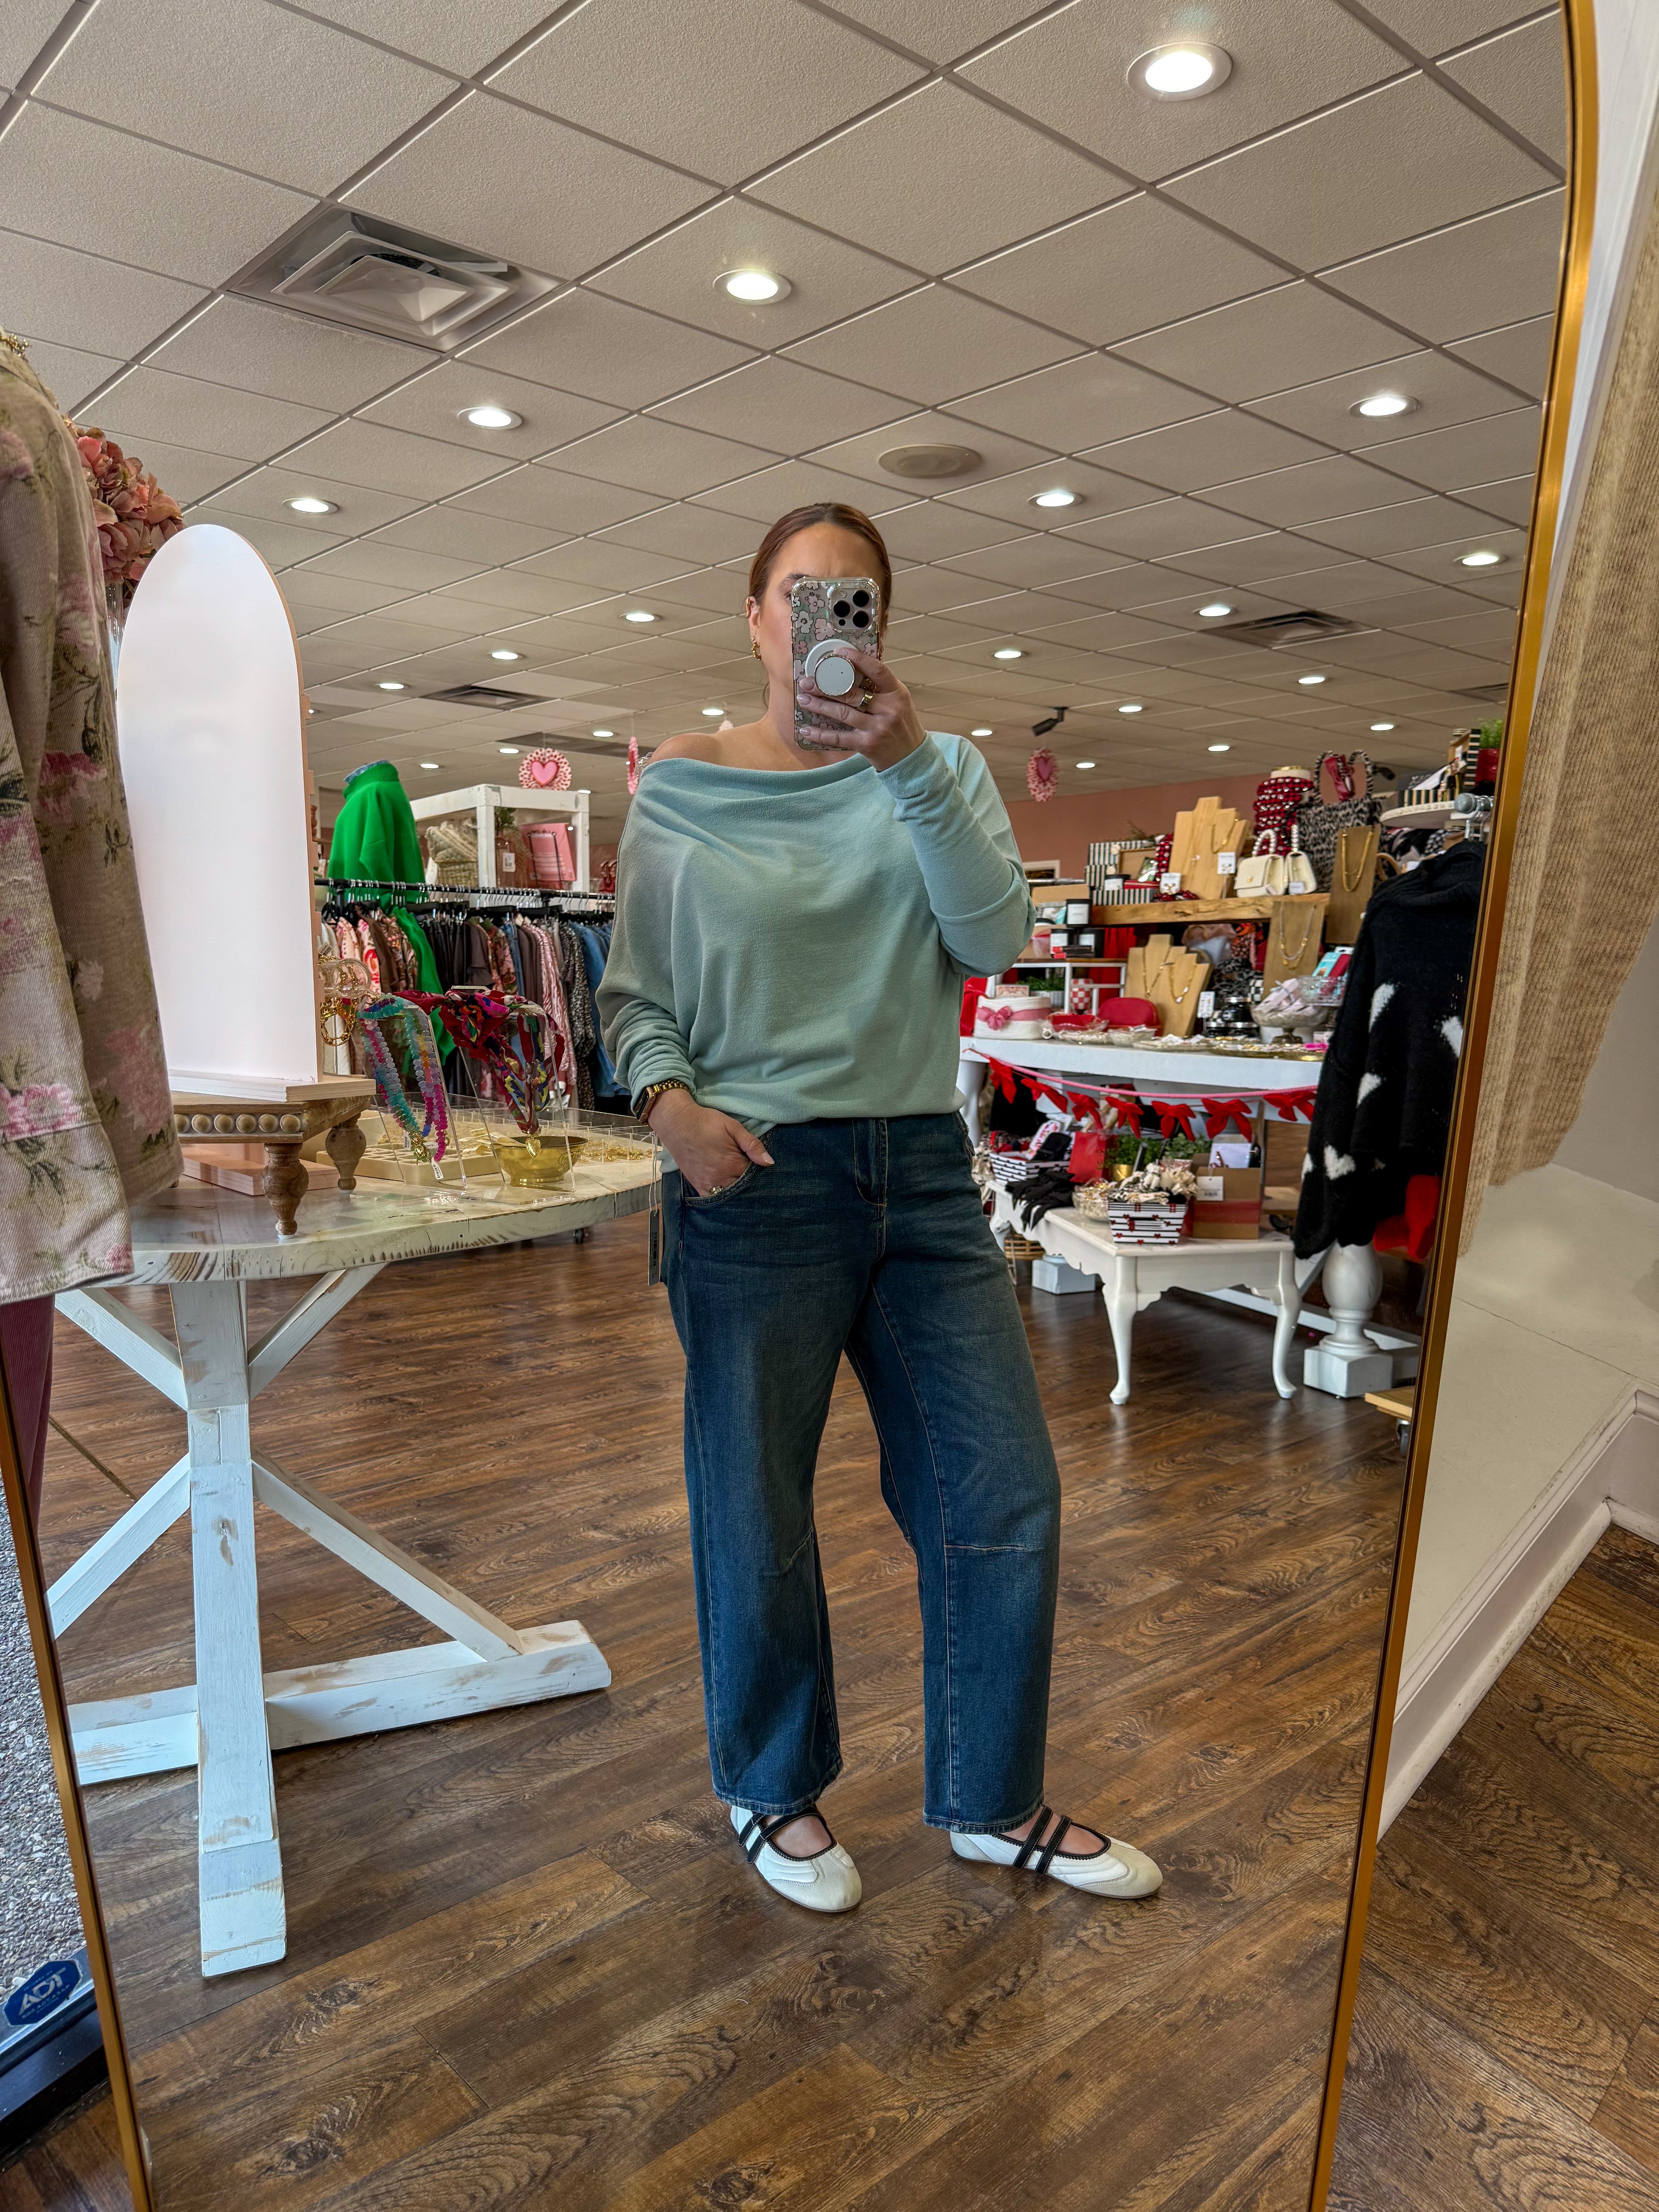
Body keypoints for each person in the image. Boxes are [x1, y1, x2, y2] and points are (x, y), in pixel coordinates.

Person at [598, 503, 1160, 1913]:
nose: (822, 622)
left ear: (880, 626)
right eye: (800, 594)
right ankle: (770, 1786)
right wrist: (672, 1113)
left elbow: (992, 937)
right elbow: (634, 995)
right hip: (755, 1178)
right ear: (755, 617)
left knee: (1000, 1487)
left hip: (919, 1169)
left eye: (851, 599)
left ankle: (990, 1799)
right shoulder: (680, 785)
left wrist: (904, 762)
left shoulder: (942, 768)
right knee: (754, 1502)